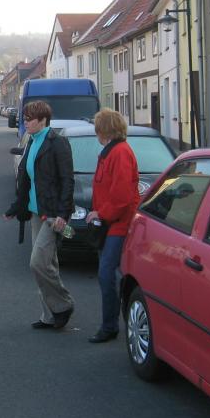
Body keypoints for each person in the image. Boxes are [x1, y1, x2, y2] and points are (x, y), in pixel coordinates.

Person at [3, 100, 75, 330]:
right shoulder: (31, 142)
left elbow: (67, 180)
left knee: (38, 263)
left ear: (43, 120)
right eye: (24, 118)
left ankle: (63, 305)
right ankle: (49, 316)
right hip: (35, 212)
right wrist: (16, 207)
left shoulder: (57, 143)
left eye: (29, 119)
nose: (25, 122)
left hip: (53, 214)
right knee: (48, 264)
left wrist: (63, 214)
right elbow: (26, 181)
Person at [85, 108, 140, 344]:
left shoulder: (120, 153)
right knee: (108, 274)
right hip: (110, 223)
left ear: (105, 130)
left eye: (98, 129)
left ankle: (110, 326)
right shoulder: (111, 152)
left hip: (118, 223)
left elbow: (122, 196)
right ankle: (112, 324)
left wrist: (101, 213)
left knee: (107, 274)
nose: (96, 133)